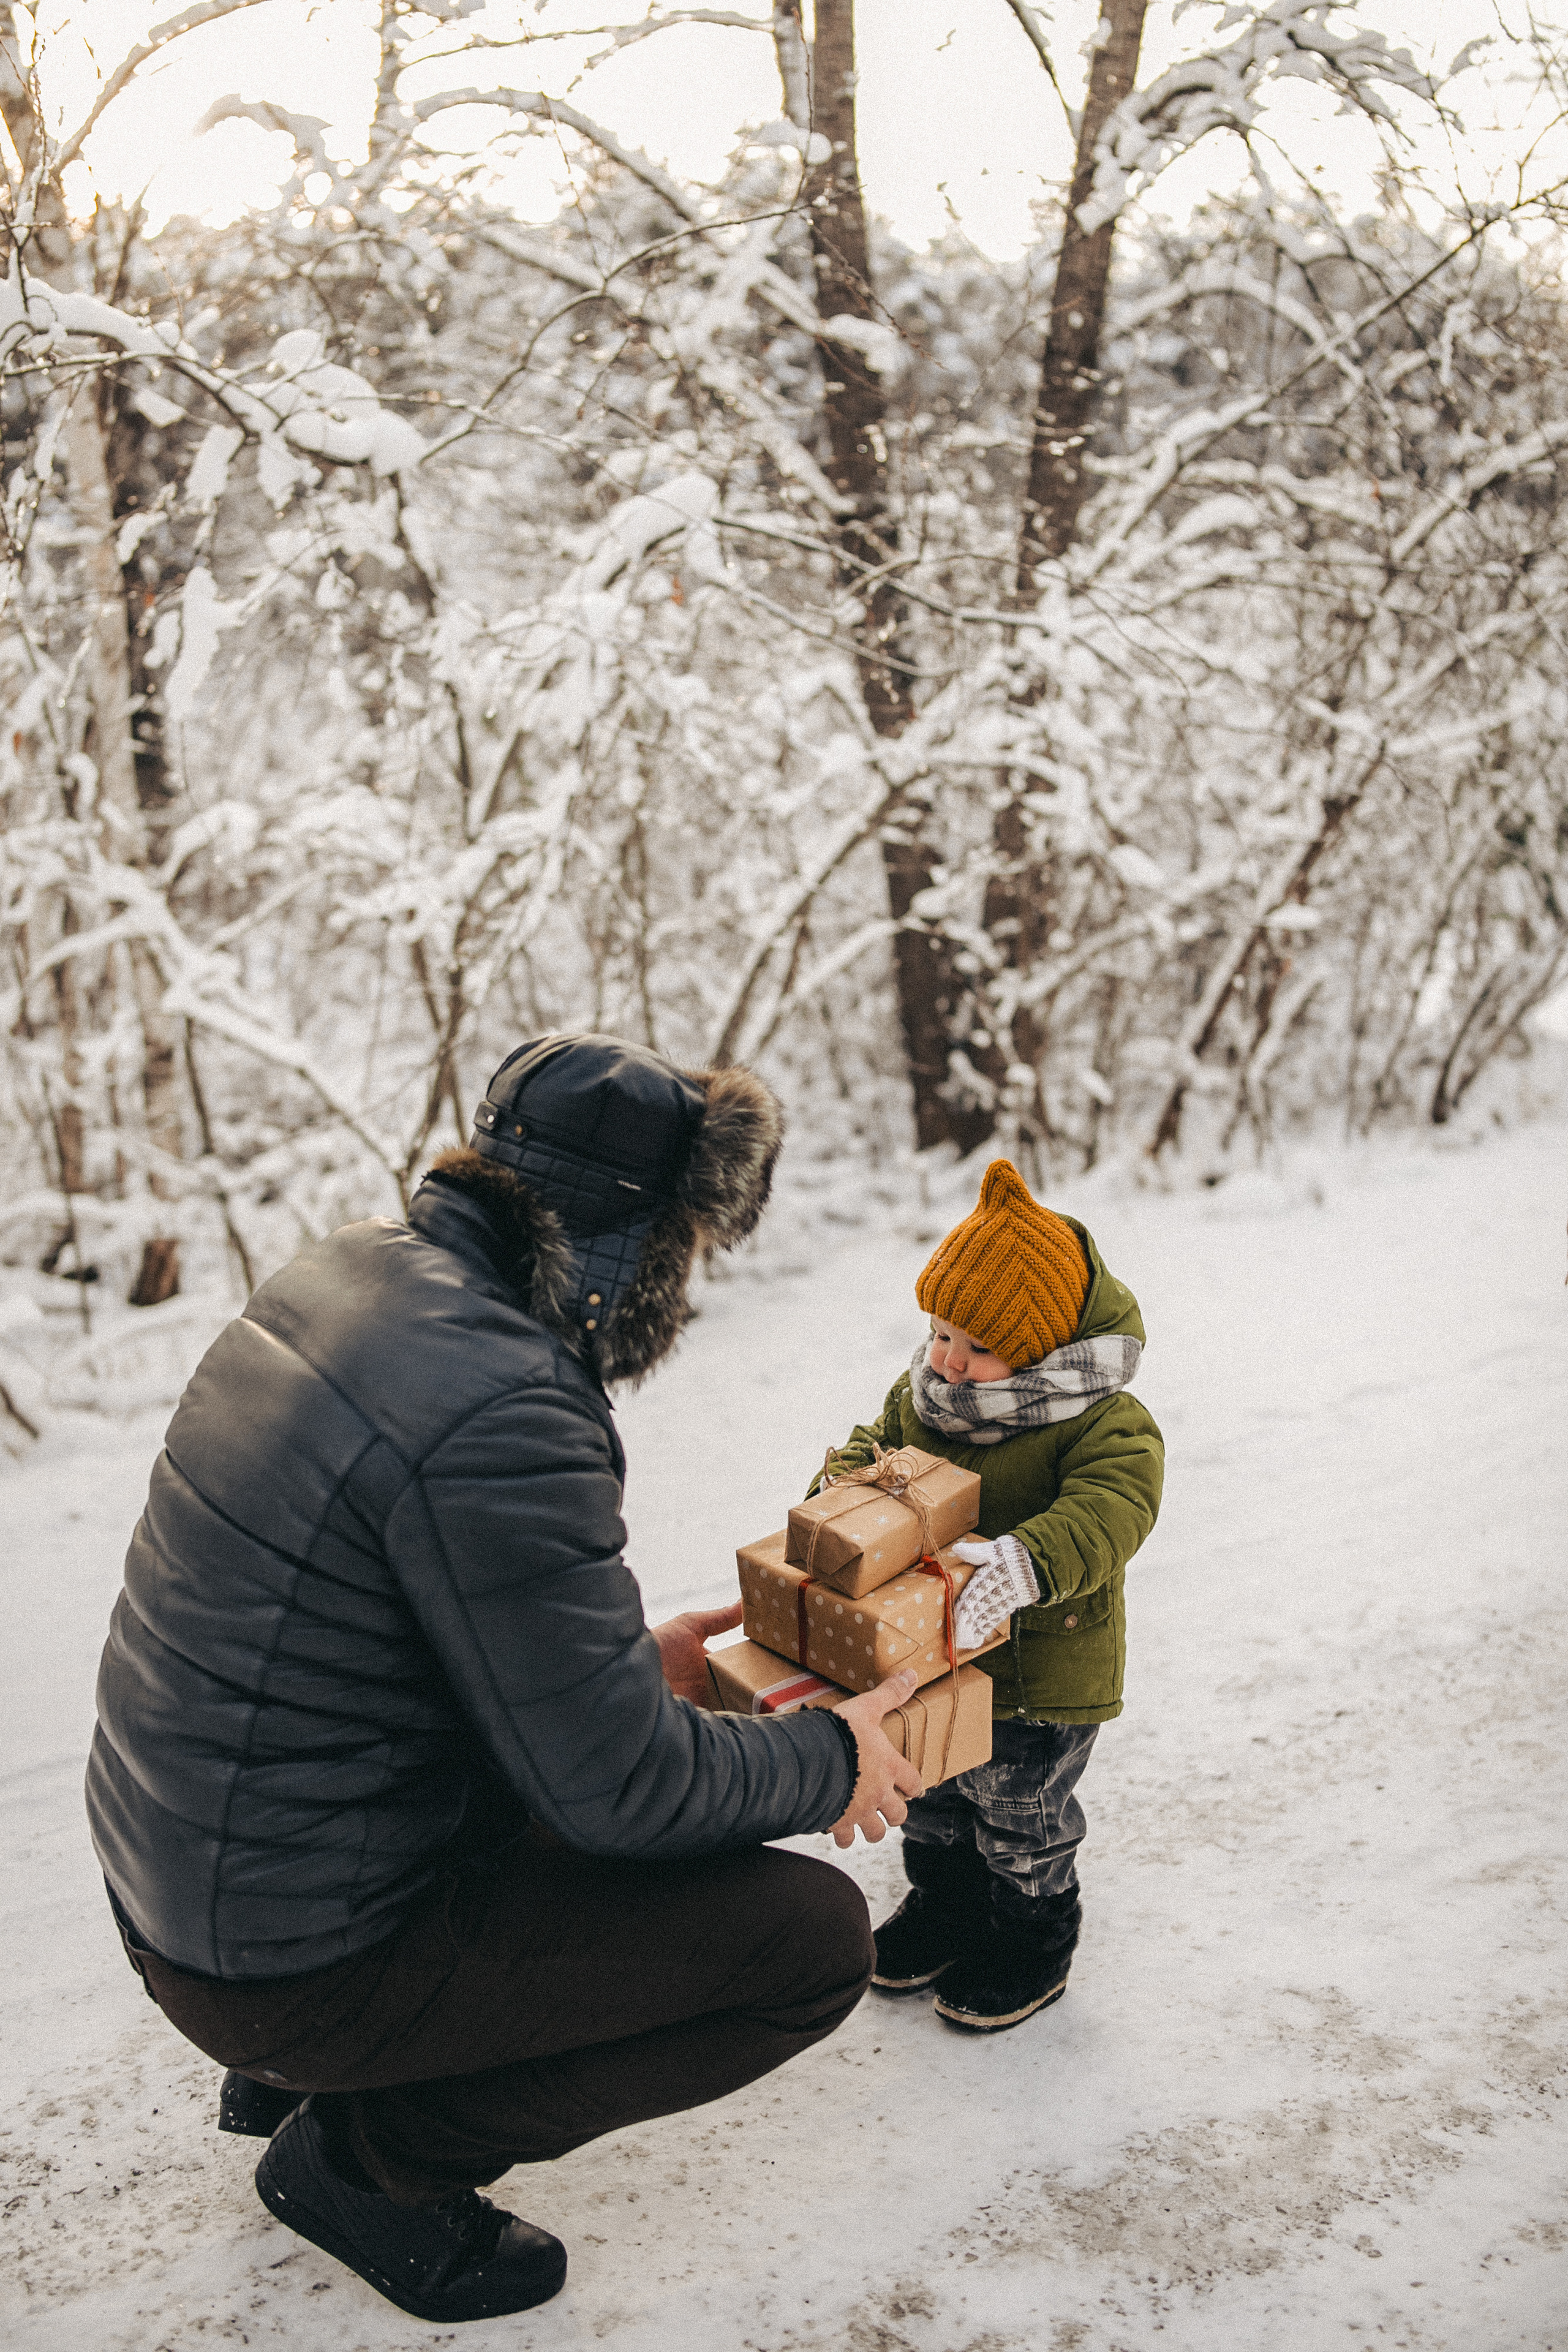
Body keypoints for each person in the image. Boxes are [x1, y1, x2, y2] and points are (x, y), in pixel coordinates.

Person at [85, 1034, 922, 2325]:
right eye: (682, 1250)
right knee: (807, 1946)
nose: (683, 1287)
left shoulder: (346, 1276)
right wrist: (835, 1759)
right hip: (283, 1963)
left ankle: (318, 2066)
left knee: (610, 1773)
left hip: (186, 1885)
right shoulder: (508, 1406)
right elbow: (617, 1794)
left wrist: (655, 1663)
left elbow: (389, 1640)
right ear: (631, 1242)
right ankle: (372, 2160)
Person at [813, 1157, 1164, 2032]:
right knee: (929, 1790)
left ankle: (1031, 1933)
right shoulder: (924, 1398)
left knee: (1017, 1809)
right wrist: (849, 1484)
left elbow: (1114, 1506)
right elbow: (878, 1442)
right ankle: (946, 1904)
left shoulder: (1104, 1423)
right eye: (941, 1334)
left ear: (1043, 1347)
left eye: (979, 1345)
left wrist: (1024, 1563)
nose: (952, 1362)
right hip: (930, 1658)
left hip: (1038, 1678)